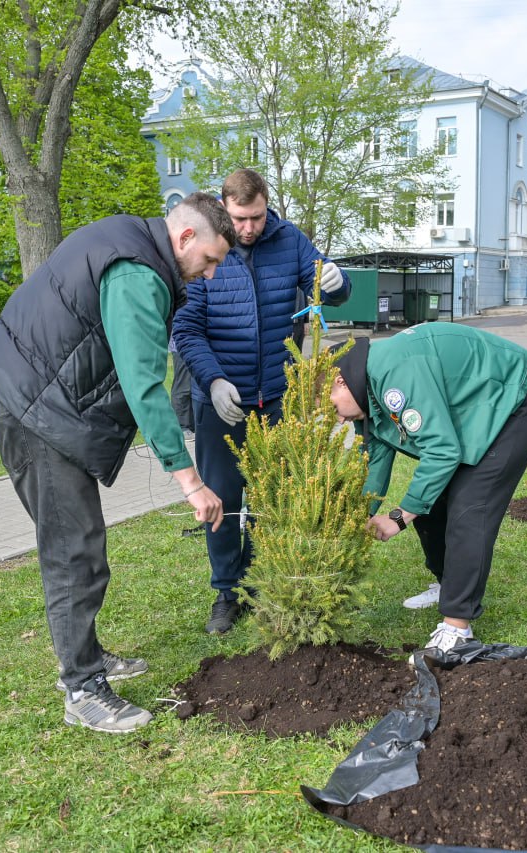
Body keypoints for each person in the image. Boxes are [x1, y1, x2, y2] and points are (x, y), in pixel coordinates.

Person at [0, 194, 233, 733]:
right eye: (209, 261)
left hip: (38, 400)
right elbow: (143, 383)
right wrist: (190, 481)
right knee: (75, 551)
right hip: (37, 413)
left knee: (79, 545)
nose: (208, 276)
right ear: (185, 238)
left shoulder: (130, 238)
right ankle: (82, 688)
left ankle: (84, 656)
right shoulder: (139, 273)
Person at [173, 168, 351, 634]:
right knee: (224, 499)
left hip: (276, 395)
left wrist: (338, 282)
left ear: (266, 205)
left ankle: (267, 580)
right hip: (221, 400)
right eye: (239, 219)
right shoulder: (207, 248)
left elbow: (328, 289)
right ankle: (227, 592)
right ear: (224, 209)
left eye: (254, 217)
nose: (247, 228)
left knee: (275, 494)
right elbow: (186, 329)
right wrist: (212, 380)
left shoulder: (290, 240)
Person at [329, 325, 527, 653]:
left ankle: (458, 627)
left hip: (513, 402)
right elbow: (374, 463)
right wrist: (355, 521)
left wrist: (399, 517)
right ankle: (449, 585)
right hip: (474, 409)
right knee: (430, 505)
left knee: (470, 508)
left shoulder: (393, 375)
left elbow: (442, 450)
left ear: (341, 381)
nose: (340, 420)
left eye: (333, 408)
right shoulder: (368, 386)